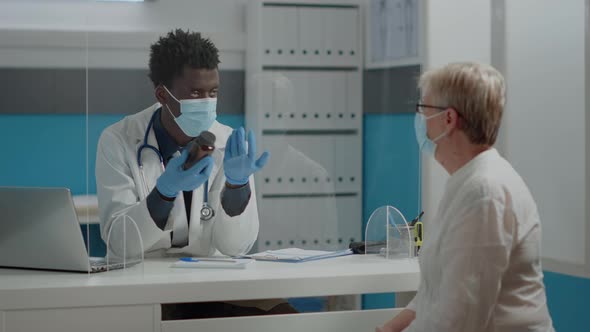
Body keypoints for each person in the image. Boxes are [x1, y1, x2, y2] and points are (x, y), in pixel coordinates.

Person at [96, 29, 295, 317]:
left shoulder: (229, 145)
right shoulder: (119, 140)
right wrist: (164, 192)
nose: (206, 101)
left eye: (213, 92)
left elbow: (236, 247)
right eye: (195, 93)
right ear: (163, 95)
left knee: (287, 320)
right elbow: (120, 243)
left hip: (212, 287)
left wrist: (238, 187)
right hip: (144, 289)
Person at [378, 62, 554, 332]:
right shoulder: (467, 182)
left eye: (423, 108)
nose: (419, 118)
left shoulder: (484, 193)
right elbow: (435, 291)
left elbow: (456, 321)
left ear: (448, 120)